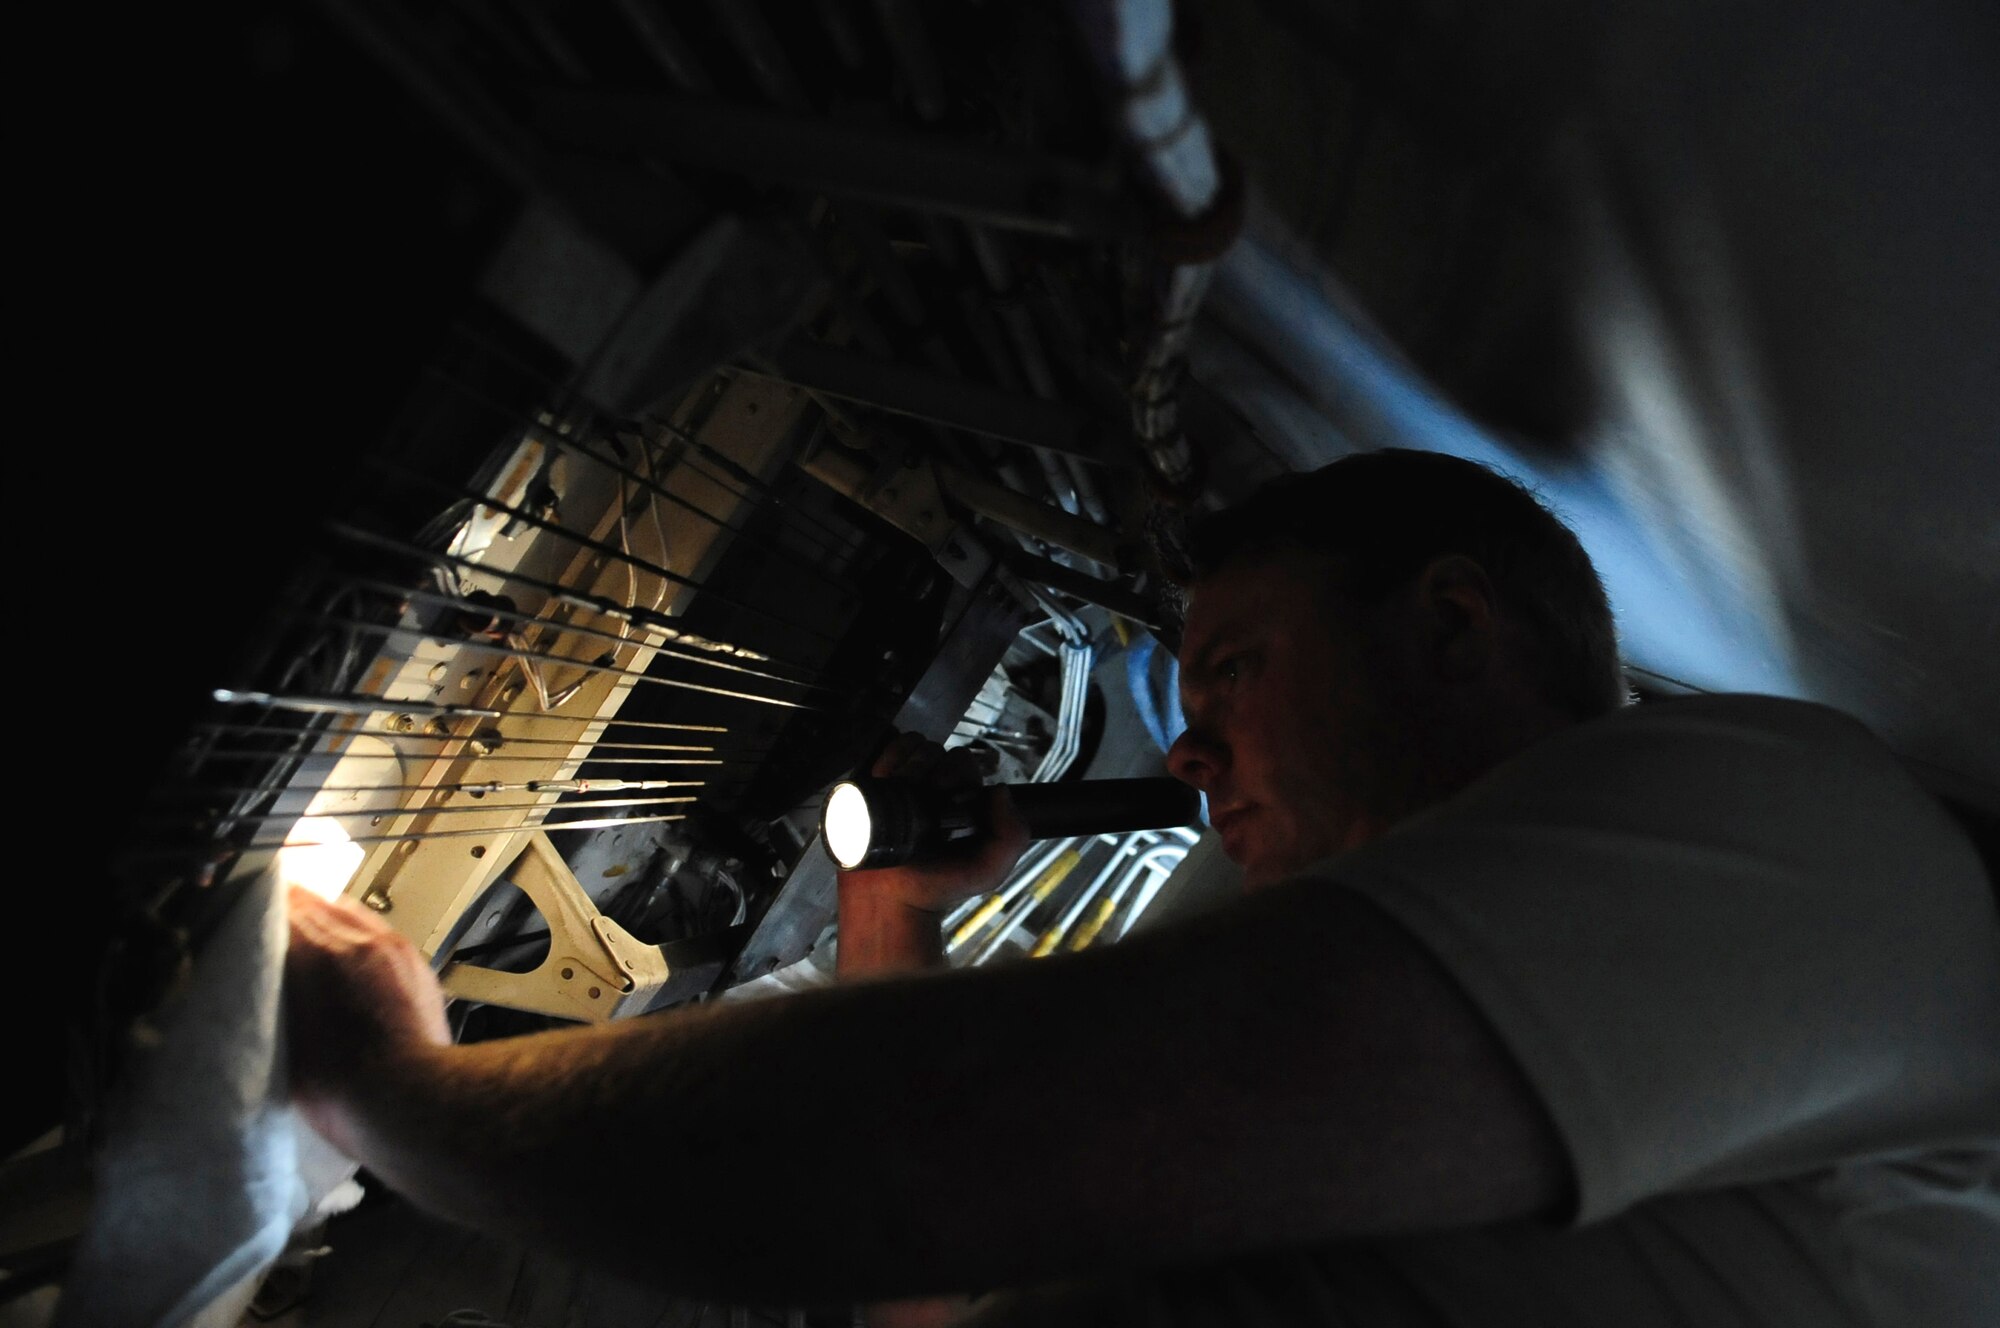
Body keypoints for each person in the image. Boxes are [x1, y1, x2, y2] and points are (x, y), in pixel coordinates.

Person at [286, 450, 1999, 1325]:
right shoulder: (1292, 935)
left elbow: (941, 1150)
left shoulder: (1777, 815)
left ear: (1457, 626)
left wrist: (390, 1089)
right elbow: (941, 1266)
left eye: (1237, 670)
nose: (1191, 757)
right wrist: (892, 916)